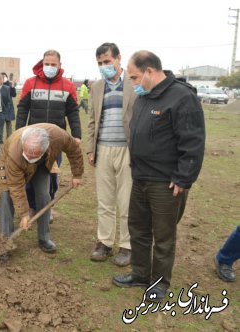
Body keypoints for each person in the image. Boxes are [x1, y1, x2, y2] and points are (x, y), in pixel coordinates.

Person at [113, 51, 205, 302]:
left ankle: (159, 283)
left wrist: (184, 177)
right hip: (140, 177)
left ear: (150, 71)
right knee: (138, 230)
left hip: (165, 183)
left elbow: (193, 142)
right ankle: (140, 274)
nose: (132, 82)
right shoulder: (145, 97)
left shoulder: (182, 97)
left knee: (163, 236)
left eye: (134, 77)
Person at [0, 123, 84, 253]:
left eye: (33, 156)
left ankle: (44, 237)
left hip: (43, 163)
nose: (29, 158)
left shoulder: (58, 136)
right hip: (12, 161)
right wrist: (24, 214)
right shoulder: (14, 152)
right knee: (7, 195)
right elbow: (16, 187)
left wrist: (77, 174)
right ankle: (4, 241)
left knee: (44, 195)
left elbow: (74, 150)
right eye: (27, 154)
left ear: (45, 147)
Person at [86, 43, 137, 267]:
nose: (104, 66)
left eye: (107, 61)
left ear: (118, 59)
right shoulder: (96, 87)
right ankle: (104, 242)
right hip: (103, 149)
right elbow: (91, 121)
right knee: (105, 200)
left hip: (128, 150)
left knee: (126, 201)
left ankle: (127, 246)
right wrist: (91, 149)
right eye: (100, 63)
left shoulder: (134, 84)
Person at [16, 50, 81, 220]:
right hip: (32, 140)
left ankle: (48, 207)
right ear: (42, 63)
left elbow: (73, 113)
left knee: (52, 176)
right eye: (47, 64)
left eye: (53, 64)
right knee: (29, 174)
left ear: (59, 65)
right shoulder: (31, 83)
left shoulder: (68, 86)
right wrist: (18, 132)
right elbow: (22, 109)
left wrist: (77, 135)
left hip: (55, 142)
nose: (49, 67)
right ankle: (31, 206)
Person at [1, 72, 17, 140]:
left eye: (5, 76)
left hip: (8, 106)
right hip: (0, 106)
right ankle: (0, 138)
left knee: (8, 122)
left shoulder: (10, 84)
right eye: (2, 76)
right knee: (0, 123)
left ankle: (9, 137)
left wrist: (13, 87)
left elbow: (14, 95)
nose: (4, 78)